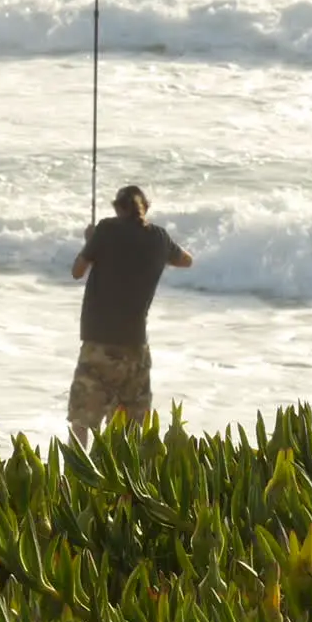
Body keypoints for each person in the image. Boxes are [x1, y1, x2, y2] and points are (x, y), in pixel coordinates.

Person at [67, 185, 192, 447]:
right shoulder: (159, 238)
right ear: (146, 207)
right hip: (136, 347)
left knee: (82, 420)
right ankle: (124, 486)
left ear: (118, 208)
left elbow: (78, 271)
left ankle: (75, 481)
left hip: (98, 345)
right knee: (128, 429)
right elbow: (186, 260)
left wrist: (91, 242)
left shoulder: (106, 230)